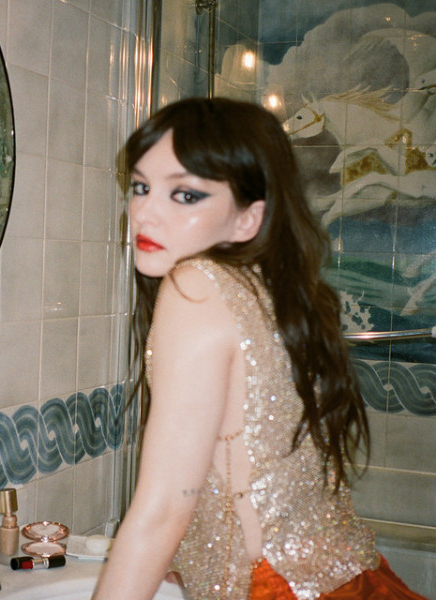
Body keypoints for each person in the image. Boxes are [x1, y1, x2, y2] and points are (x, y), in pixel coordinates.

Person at [92, 98, 428, 600]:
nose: (145, 213)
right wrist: (191, 562)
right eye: (141, 187)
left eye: (185, 195)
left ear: (248, 220)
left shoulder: (195, 285)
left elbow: (162, 511)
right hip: (348, 577)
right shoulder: (268, 287)